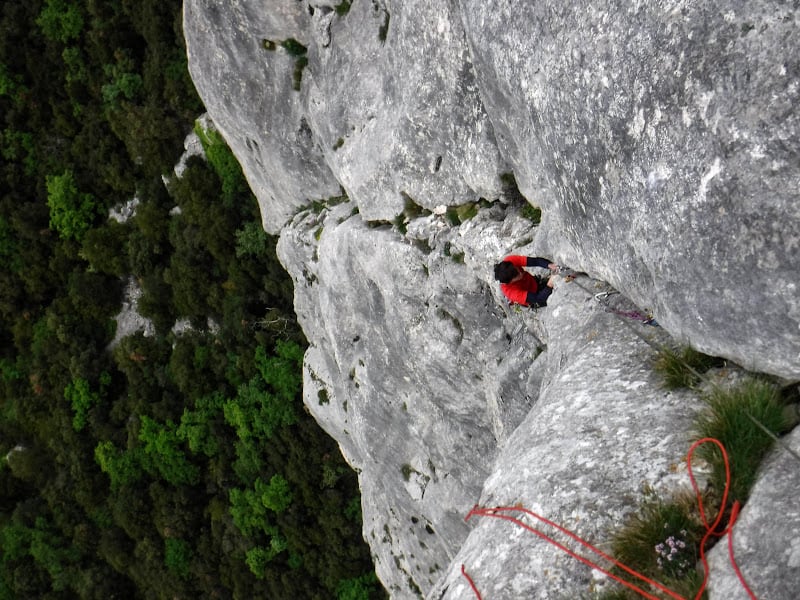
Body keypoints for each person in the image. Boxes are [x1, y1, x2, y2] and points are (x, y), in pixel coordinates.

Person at [494, 255, 560, 308]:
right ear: (510, 282)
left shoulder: (510, 261)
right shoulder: (511, 292)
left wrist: (550, 265)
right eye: (517, 275)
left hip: (534, 282)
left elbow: (536, 261)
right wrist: (550, 284)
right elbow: (539, 299)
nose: (520, 273)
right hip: (533, 299)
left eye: (517, 269)